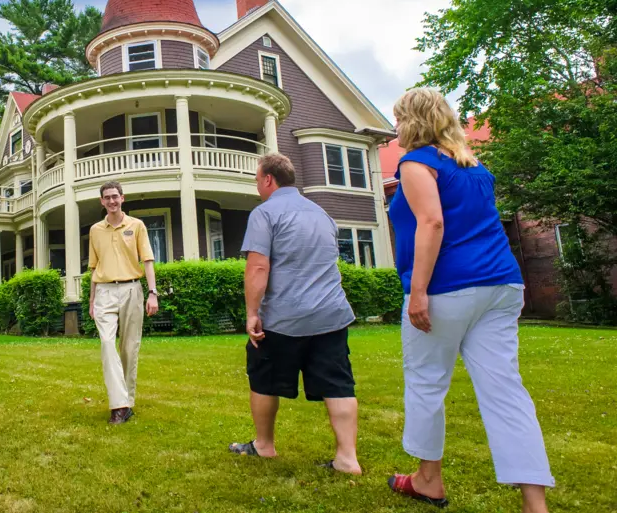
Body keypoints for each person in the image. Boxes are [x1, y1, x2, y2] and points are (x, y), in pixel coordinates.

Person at [387, 87, 553, 512]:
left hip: (447, 287)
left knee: (426, 381)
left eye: (397, 118)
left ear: (412, 119)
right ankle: (535, 504)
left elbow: (432, 223)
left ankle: (428, 480)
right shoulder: (474, 164)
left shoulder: (415, 163)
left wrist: (419, 291)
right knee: (505, 390)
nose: (394, 127)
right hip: (501, 285)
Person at [229, 153, 362, 474]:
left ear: (268, 180)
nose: (257, 185)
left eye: (257, 179)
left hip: (283, 318)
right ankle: (347, 457)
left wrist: (251, 313)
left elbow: (258, 266)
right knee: (338, 384)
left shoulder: (265, 213)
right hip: (331, 314)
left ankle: (264, 445)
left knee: (263, 380)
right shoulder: (322, 214)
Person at [87, 180, 159, 425]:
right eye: (107, 197)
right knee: (107, 344)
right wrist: (91, 299)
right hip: (104, 293)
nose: (111, 201)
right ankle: (119, 405)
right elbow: (94, 268)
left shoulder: (136, 226)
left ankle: (127, 403)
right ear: (102, 201)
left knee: (129, 348)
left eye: (115, 196)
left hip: (132, 289)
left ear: (122, 198)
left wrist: (153, 293)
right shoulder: (95, 230)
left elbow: (147, 260)